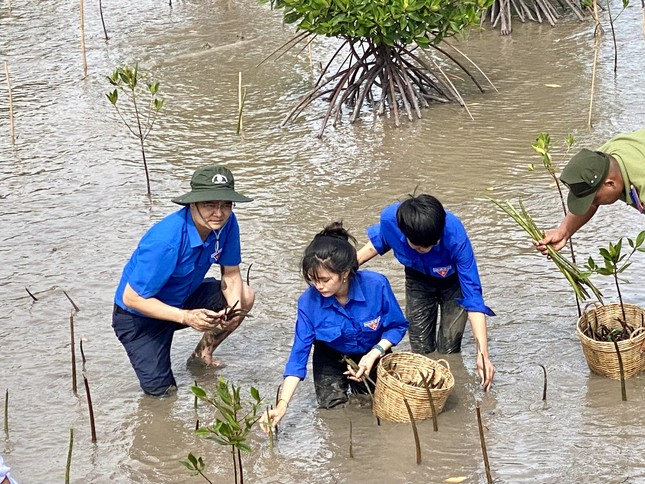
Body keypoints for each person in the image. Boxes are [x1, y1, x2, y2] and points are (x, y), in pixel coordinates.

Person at [112, 165, 255, 396]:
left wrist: (232, 309)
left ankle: (202, 356)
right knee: (163, 396)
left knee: (244, 297)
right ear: (192, 203)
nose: (218, 213)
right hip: (140, 316)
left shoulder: (226, 224)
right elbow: (132, 298)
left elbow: (231, 273)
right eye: (210, 204)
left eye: (226, 204)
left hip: (183, 297)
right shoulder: (166, 240)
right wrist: (186, 317)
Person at [261, 222, 409, 432]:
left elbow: (396, 326)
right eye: (312, 280)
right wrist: (282, 405)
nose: (318, 286)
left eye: (324, 279)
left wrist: (374, 353)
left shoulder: (377, 285)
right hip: (330, 355)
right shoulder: (308, 303)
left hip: (373, 352)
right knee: (333, 413)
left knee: (374, 405)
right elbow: (298, 356)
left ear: (346, 272)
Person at [356, 194, 495, 390]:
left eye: (432, 245)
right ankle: (426, 391)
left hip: (453, 283)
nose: (426, 250)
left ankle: (449, 388)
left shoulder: (455, 235)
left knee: (449, 348)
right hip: (417, 278)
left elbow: (473, 297)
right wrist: (342, 269)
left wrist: (483, 355)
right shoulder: (391, 220)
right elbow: (378, 243)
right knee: (420, 348)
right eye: (420, 246)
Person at [535, 128, 645, 253]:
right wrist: (563, 231)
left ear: (610, 184)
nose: (591, 203)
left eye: (594, 198)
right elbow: (592, 202)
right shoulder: (601, 159)